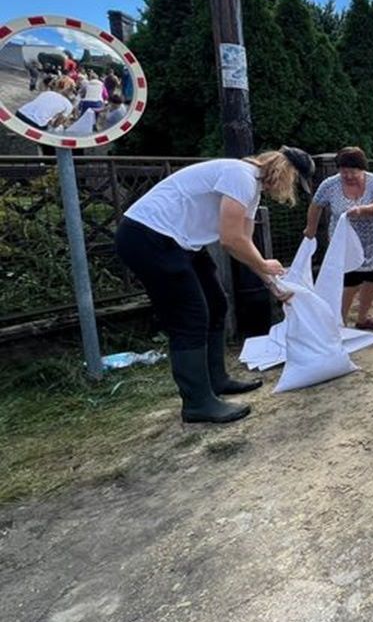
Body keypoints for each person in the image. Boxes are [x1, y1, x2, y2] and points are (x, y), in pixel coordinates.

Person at [116, 147, 314, 424]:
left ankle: (217, 380)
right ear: (285, 172)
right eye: (293, 181)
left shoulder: (252, 189)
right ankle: (197, 403)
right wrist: (265, 267)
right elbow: (230, 239)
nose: (289, 189)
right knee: (191, 316)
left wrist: (271, 283)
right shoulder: (240, 175)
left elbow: (243, 245)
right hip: (149, 237)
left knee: (216, 303)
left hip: (178, 242)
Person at [304, 147, 373, 329]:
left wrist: (360, 210)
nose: (348, 175)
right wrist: (311, 228)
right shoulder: (330, 184)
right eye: (344, 171)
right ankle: (339, 320)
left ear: (362, 169)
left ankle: (362, 318)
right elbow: (316, 204)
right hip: (344, 239)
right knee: (350, 278)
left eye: (353, 171)